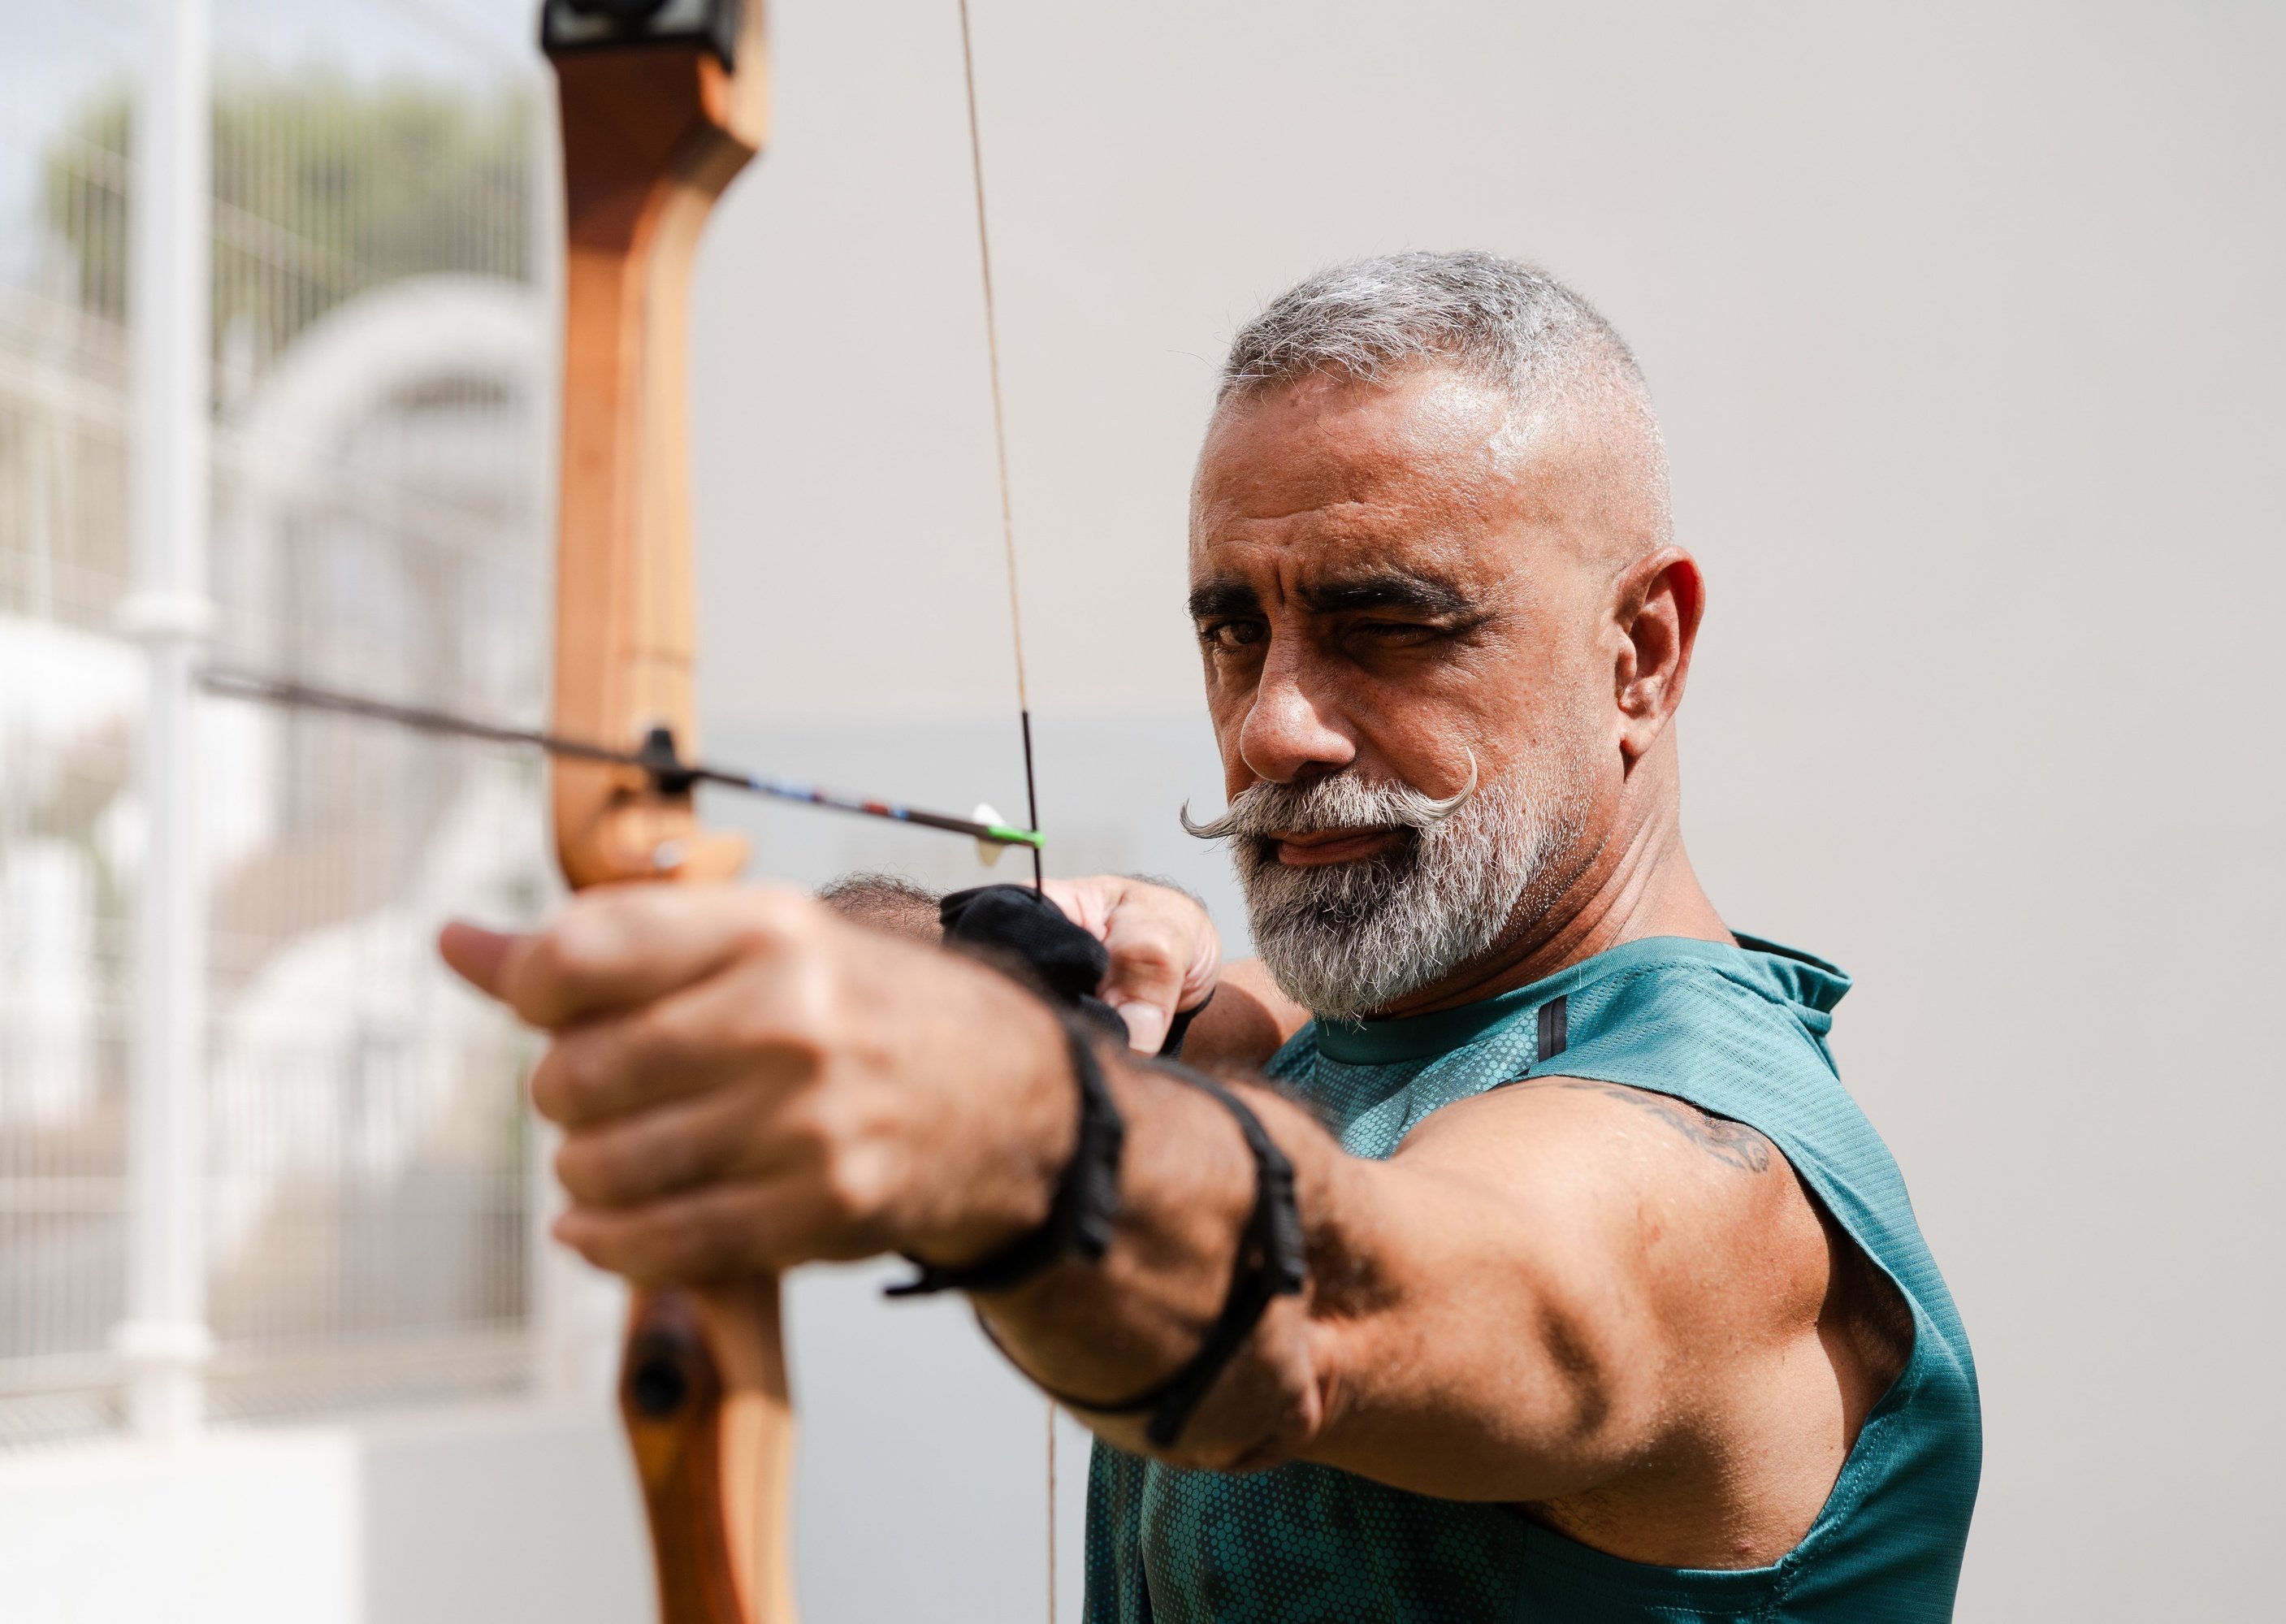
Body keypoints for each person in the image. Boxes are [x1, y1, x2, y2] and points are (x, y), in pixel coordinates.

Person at [443, 251, 1979, 1622]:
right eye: (1233, 628)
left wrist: (1003, 1112)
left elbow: (1335, 1299)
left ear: (1640, 657)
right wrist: (965, 959)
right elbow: (1184, 1056)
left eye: (1392, 624)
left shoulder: (1710, 1183)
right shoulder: (1354, 1028)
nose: (1275, 724)